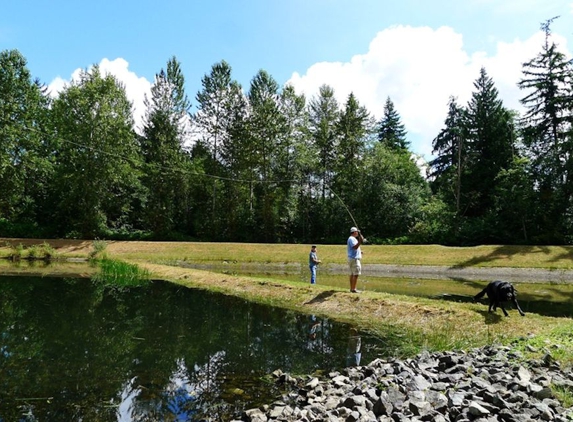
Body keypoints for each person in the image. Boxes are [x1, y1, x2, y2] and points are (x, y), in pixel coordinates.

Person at [347, 227, 365, 293]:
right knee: (356, 274)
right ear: (354, 232)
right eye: (357, 232)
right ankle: (353, 289)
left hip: (351, 258)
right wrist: (360, 241)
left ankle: (352, 288)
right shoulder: (352, 239)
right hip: (354, 259)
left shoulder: (351, 239)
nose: (357, 233)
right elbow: (355, 247)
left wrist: (360, 251)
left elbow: (354, 248)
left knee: (352, 274)